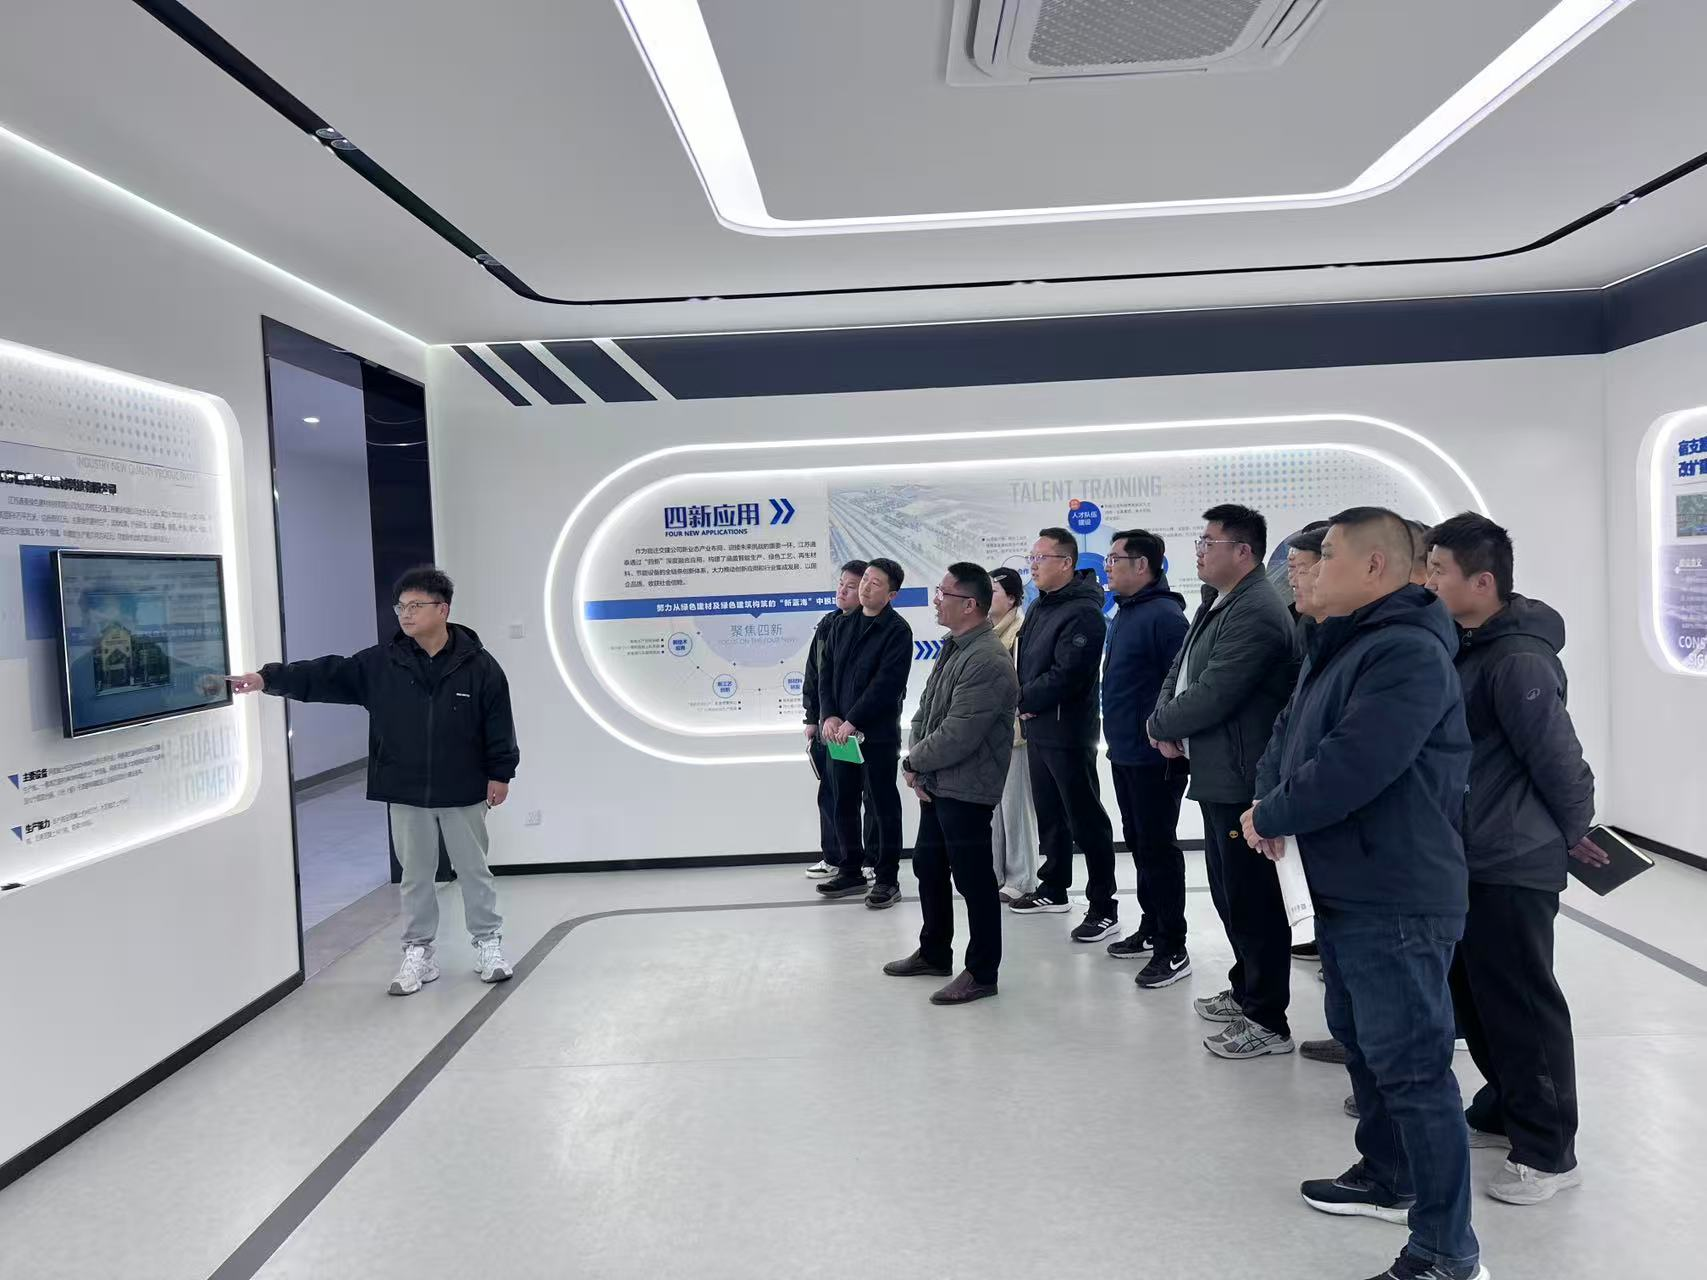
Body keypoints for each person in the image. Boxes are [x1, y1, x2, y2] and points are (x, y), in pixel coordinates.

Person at [1244, 507, 1483, 1280]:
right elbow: (1291, 738)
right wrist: (1268, 801)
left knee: (1413, 1071)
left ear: (1373, 566)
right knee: (1364, 1042)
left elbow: (1354, 762)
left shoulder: (1405, 652)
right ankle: (1389, 1174)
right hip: (1349, 885)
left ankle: (1445, 1251)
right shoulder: (1343, 643)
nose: (1307, 570)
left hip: (1396, 893)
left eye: (1325, 556)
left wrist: (1272, 813)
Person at [226, 566, 519, 996]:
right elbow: (327, 674)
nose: (406, 614)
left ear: (443, 609)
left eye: (416, 605)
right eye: (401, 607)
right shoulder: (382, 663)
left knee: (473, 870)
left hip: (463, 786)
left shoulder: (480, 666)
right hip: (405, 787)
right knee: (416, 875)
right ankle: (420, 951)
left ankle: (488, 944)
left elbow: (498, 722)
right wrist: (268, 678)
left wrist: (501, 772)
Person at [1427, 513, 1595, 1206]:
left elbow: (1558, 759)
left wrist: (1572, 833)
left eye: (1438, 570)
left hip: (1511, 857)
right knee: (1477, 999)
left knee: (1521, 1003)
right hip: (1470, 854)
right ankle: (1504, 1107)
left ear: (1482, 582)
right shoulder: (1468, 646)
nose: (1428, 581)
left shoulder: (1517, 659)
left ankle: (1549, 1151)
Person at [1148, 504, 1299, 1058]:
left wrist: (1161, 725)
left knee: (1253, 901)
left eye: (1208, 542)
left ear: (1243, 551)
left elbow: (1217, 692)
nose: (1199, 551)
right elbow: (1182, 670)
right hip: (1218, 771)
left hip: (1242, 778)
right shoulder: (1219, 600)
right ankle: (1245, 988)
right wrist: (1162, 719)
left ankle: (1267, 1019)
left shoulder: (1257, 609)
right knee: (1229, 893)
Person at [884, 564, 1019, 1005]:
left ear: (970, 605)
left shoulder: (988, 659)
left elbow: (961, 732)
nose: (936, 600)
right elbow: (926, 711)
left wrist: (913, 761)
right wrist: (917, 765)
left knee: (973, 880)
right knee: (928, 865)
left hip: (967, 786)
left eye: (944, 593)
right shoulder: (954, 646)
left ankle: (982, 972)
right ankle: (934, 951)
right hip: (939, 781)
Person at [1007, 528, 1120, 944]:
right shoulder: (1041, 605)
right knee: (1050, 814)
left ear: (1067, 563)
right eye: (1031, 558)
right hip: (1038, 725)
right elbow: (1028, 665)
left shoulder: (1084, 612)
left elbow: (1069, 673)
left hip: (1068, 730)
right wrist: (1023, 701)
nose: (1033, 566)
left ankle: (1104, 905)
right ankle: (1053, 887)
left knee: (1085, 818)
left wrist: (1022, 699)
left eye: (1041, 558)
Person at [1100, 529, 1193, 989]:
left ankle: (1174, 946)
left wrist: (1168, 735)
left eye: (1115, 559)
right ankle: (1152, 925)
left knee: (1158, 848)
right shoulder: (1126, 612)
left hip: (1156, 757)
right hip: (1125, 752)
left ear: (1142, 566)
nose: (1107, 567)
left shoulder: (1165, 616)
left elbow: (1183, 686)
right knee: (1139, 843)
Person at [815, 557, 913, 909]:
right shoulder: (842, 624)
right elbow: (826, 674)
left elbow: (886, 685)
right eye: (865, 579)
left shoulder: (897, 631)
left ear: (892, 594)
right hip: (840, 735)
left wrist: (852, 721)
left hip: (876, 736)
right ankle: (850, 869)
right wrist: (829, 716)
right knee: (842, 800)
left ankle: (887, 878)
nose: (866, 587)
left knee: (881, 805)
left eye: (875, 583)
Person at [801, 560, 875, 879]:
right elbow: (814, 674)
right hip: (831, 727)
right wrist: (813, 717)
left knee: (872, 795)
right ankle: (836, 856)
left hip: (864, 728)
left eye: (851, 586)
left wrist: (855, 719)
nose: (842, 591)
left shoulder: (876, 627)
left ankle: (871, 861)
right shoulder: (828, 624)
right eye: (841, 584)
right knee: (832, 792)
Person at [987, 566, 1038, 903]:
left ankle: (1022, 878)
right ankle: (995, 873)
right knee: (994, 810)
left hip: (1015, 734)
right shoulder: (988, 632)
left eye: (993, 591)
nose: (986, 596)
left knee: (1016, 808)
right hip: (988, 734)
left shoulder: (1020, 631)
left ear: (1013, 598)